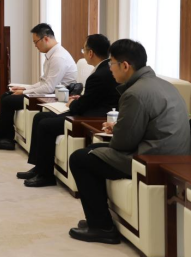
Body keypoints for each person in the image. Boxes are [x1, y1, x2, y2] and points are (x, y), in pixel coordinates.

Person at [68, 39, 190, 244]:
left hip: (150, 158)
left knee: (80, 159)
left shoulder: (134, 93)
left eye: (111, 63)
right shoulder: (163, 85)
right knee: (94, 149)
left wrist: (117, 131)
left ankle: (102, 227)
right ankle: (99, 219)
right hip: (172, 153)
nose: (110, 68)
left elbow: (122, 144)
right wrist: (119, 127)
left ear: (125, 65)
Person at [18, 34, 120, 187]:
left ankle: (46, 175)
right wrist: (79, 99)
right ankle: (39, 167)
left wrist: (72, 103)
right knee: (40, 117)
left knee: (45, 125)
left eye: (84, 50)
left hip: (92, 117)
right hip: (91, 109)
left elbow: (85, 104)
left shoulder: (100, 74)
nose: (83, 53)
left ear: (91, 53)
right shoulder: (104, 68)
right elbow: (94, 97)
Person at [0, 23, 77, 150]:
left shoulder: (58, 57)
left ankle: (4, 139)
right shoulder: (52, 55)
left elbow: (48, 88)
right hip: (49, 92)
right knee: (6, 96)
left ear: (46, 38)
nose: (35, 45)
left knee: (8, 100)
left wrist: (24, 93)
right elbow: (43, 82)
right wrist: (24, 88)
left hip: (54, 97)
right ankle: (2, 137)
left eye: (36, 42)